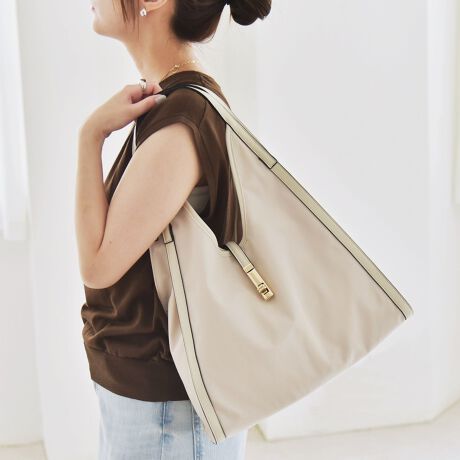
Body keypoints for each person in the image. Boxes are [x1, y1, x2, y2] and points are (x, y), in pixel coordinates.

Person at [75, 0, 271, 458]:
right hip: (156, 400)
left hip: (167, 412)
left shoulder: (183, 119)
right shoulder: (171, 103)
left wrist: (90, 137)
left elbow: (98, 265)